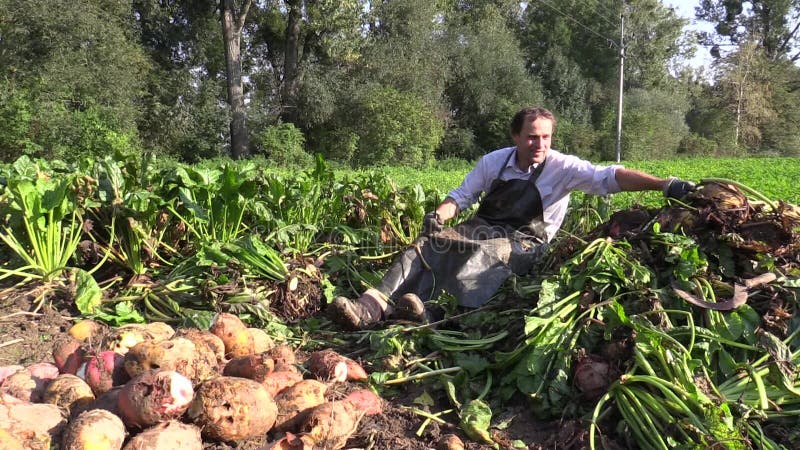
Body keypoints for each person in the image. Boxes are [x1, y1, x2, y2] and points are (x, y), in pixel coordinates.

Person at [329, 106, 694, 329]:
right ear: (515, 136)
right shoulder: (494, 161)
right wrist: (440, 215)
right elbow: (461, 196)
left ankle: (431, 312)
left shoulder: (563, 167)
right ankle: (373, 305)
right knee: (427, 245)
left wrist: (664, 184)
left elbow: (608, 176)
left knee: (481, 254)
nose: (540, 145)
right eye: (533, 137)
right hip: (484, 226)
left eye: (546, 138)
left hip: (527, 241)